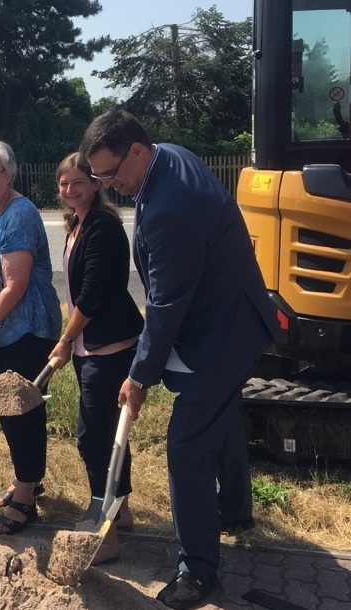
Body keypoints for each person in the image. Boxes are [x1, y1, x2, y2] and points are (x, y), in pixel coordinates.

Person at [80, 108, 277, 609]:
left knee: (187, 445)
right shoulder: (171, 155)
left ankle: (198, 570)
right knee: (222, 417)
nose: (107, 185)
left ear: (138, 151)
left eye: (110, 173)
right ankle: (232, 509)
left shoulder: (170, 206)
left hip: (220, 335)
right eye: (98, 176)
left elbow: (167, 304)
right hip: (237, 320)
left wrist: (140, 376)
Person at [48, 152, 144, 563]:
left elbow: (93, 293)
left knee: (92, 435)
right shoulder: (77, 223)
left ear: (97, 184)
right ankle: (118, 511)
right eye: (64, 184)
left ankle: (104, 529)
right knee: (105, 430)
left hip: (110, 346)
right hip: (93, 345)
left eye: (79, 183)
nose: (71, 190)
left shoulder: (103, 227)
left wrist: (66, 338)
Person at [0, 140, 62, 535]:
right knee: (10, 410)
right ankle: (30, 478)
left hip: (27, 329)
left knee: (20, 411)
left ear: (10, 173)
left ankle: (25, 499)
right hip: (0, 330)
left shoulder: (20, 214)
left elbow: (15, 284)